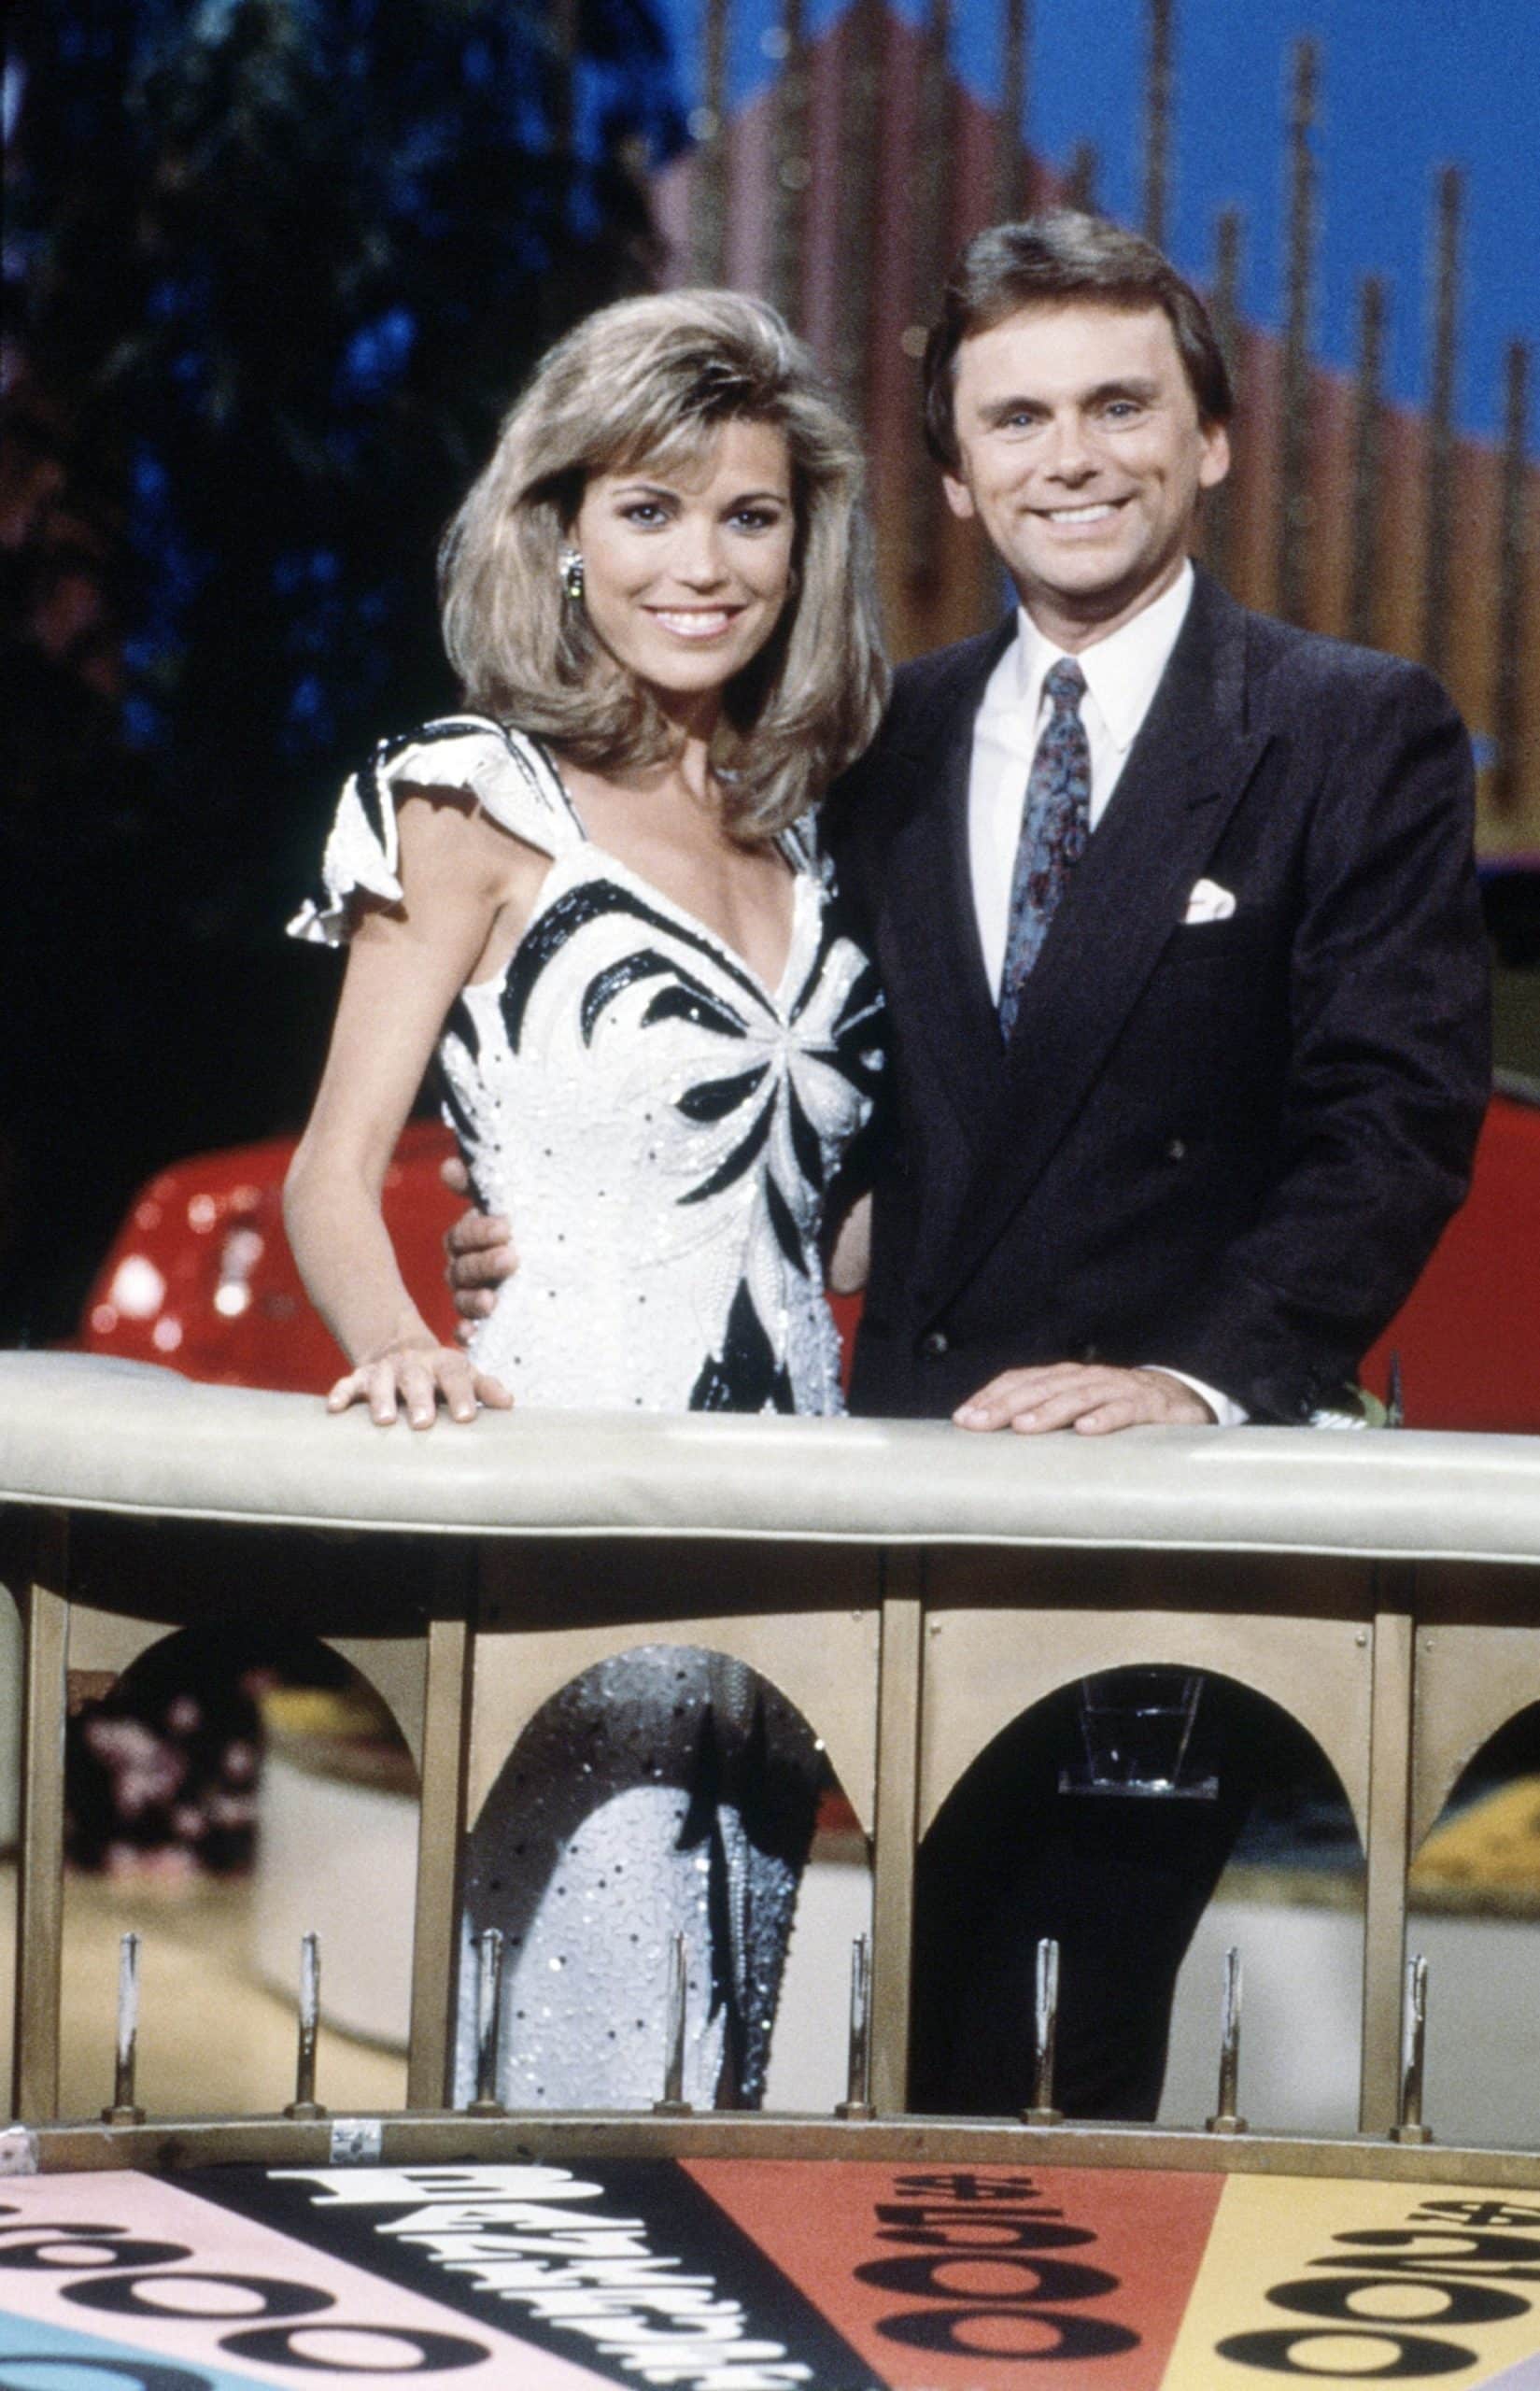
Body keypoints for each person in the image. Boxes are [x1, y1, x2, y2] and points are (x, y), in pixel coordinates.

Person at [447, 216, 1490, 2121]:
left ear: (1214, 439)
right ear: (951, 472)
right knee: (903, 2062)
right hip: (895, 1501)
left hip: (1173, 1508)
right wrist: (589, 1212)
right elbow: (826, 1098)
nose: (1070, 454)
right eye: (1017, 418)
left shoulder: (1352, 727)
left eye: (1119, 405)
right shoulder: (872, 740)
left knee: (1093, 2077)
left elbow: (1398, 1116)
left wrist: (1198, 1379)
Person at [284, 288, 887, 2108]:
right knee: (575, 2033)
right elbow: (331, 1171)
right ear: (557, 537)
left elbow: (814, 1215)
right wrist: (403, 1347)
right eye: (648, 508)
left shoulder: (812, 832)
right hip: (568, 1472)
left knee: (735, 2022)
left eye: (751, 516)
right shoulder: (470, 795)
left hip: (795, 1501)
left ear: (805, 545)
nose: (703, 563)